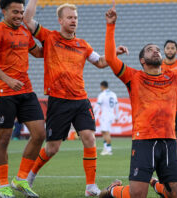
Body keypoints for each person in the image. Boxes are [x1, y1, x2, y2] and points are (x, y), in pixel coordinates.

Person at [99, 2, 177, 198]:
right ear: (142, 60)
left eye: (157, 49)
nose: (155, 51)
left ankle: (155, 184)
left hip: (169, 141)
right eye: (150, 50)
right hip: (143, 140)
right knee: (137, 195)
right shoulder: (133, 77)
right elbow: (110, 58)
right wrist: (110, 25)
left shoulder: (174, 75)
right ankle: (112, 191)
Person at [23, 0, 128, 196]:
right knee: (52, 148)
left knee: (89, 138)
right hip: (59, 100)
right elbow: (27, 19)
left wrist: (115, 54)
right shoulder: (49, 37)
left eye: (76, 18)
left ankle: (90, 187)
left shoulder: (83, 45)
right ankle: (30, 176)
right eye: (70, 17)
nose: (74, 21)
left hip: (80, 99)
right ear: (60, 20)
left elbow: (101, 62)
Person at [0, 0, 46, 197]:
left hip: (25, 90)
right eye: (15, 12)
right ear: (4, 11)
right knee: (3, 139)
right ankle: (3, 185)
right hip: (4, 90)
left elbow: (38, 53)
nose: (19, 16)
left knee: (39, 134)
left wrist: (57, 41)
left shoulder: (25, 31)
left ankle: (20, 179)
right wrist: (8, 80)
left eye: (21, 12)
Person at [94, 81, 119, 156]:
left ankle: (109, 150)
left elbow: (98, 105)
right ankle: (105, 148)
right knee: (104, 131)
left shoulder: (102, 95)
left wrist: (93, 112)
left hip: (105, 115)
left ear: (102, 86)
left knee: (106, 132)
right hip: (111, 115)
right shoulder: (113, 94)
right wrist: (117, 116)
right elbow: (117, 106)